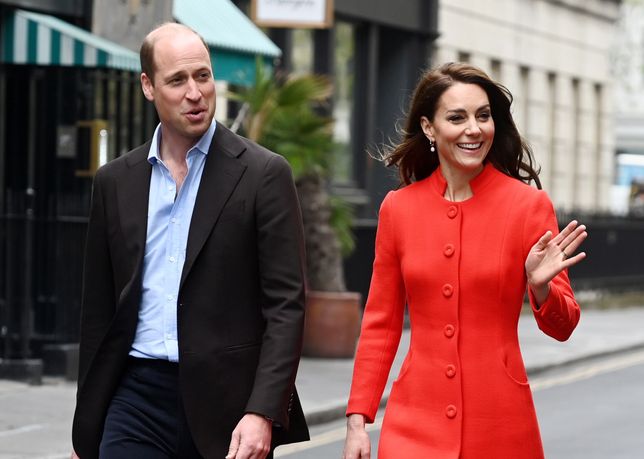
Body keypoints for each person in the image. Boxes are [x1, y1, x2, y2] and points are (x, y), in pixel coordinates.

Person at [70, 23, 309, 459]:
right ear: (148, 86)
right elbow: (98, 315)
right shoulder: (115, 182)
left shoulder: (264, 174)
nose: (195, 93)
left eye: (202, 75)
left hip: (228, 404)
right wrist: (87, 430)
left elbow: (286, 307)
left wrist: (263, 412)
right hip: (135, 396)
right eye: (177, 80)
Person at [342, 62, 587, 458]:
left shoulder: (528, 207)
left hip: (501, 426)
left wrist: (540, 288)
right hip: (412, 425)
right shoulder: (398, 209)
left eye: (483, 116)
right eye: (457, 117)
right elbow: (380, 323)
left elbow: (564, 326)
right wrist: (358, 419)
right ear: (429, 128)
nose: (474, 129)